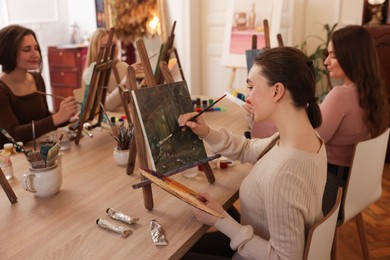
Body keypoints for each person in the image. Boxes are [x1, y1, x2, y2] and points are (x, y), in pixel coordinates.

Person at [180, 46, 327, 259]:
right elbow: (247, 148)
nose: (247, 97)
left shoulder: (284, 173)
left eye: (251, 86)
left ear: (277, 91)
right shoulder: (307, 139)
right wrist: (206, 132)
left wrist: (221, 220)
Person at [316, 25, 389, 214]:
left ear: (351, 57)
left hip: (331, 192)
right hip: (356, 190)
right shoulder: (374, 93)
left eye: (333, 55)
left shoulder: (341, 95)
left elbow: (312, 141)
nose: (326, 61)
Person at [0, 25, 78, 147]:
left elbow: (44, 118)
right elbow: (13, 134)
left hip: (39, 150)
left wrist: (66, 118)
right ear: (7, 53)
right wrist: (57, 118)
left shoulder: (37, 79)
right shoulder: (1, 89)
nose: (36, 54)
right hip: (14, 158)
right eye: (26, 50)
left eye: (36, 48)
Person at [79, 28, 142, 111]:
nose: (113, 49)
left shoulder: (123, 66)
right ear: (96, 49)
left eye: (114, 44)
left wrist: (143, 86)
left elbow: (132, 98)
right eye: (106, 46)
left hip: (131, 116)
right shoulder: (90, 73)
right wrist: (126, 80)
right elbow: (106, 105)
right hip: (113, 120)